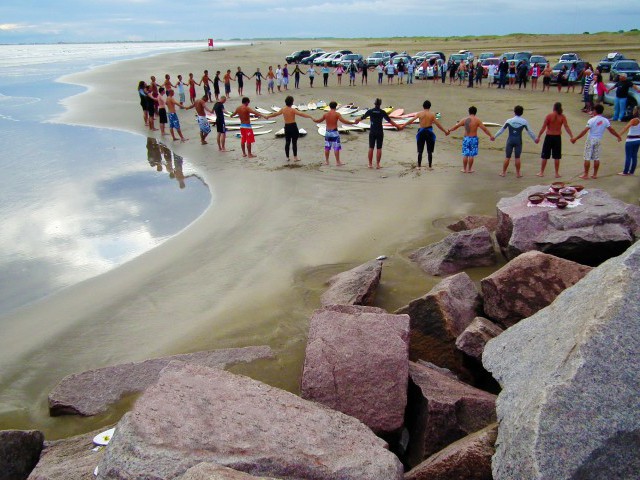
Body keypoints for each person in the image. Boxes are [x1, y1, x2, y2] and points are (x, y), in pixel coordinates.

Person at [571, 104, 622, 179]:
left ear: (595, 111)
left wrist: (575, 138)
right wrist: (618, 136)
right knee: (596, 157)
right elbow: (611, 130)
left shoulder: (592, 120)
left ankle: (586, 174)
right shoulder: (605, 120)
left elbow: (584, 131)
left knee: (587, 157)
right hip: (598, 139)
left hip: (591, 139)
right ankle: (595, 174)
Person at [355, 98, 404, 169]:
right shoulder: (382, 112)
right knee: (379, 148)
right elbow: (390, 121)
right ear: (380, 104)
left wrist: (356, 120)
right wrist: (398, 126)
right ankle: (378, 164)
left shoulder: (370, 111)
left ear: (374, 104)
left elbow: (362, 117)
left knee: (371, 148)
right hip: (380, 132)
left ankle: (370, 164)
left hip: (372, 131)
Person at [267, 95, 316, 162]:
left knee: (287, 142)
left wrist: (268, 116)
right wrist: (310, 116)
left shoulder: (283, 109)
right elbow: (301, 114)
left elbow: (276, 114)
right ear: (292, 102)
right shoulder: (293, 110)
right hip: (293, 126)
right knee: (294, 142)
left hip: (287, 127)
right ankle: (295, 157)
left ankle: (287, 157)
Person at [403, 100, 449, 170]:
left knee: (420, 150)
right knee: (429, 151)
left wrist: (403, 126)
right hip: (429, 133)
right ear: (430, 107)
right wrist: (445, 131)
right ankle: (430, 166)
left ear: (423, 106)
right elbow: (438, 124)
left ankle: (419, 166)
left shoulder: (419, 114)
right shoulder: (432, 114)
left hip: (421, 132)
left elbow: (411, 120)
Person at [448, 106, 495, 173]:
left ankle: (464, 169)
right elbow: (484, 129)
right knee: (471, 155)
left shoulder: (464, 119)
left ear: (469, 112)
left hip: (466, 138)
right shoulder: (477, 120)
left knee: (465, 154)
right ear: (475, 112)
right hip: (473, 138)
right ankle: (469, 169)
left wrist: (449, 130)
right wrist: (491, 135)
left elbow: (456, 126)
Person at [494, 105, 538, 177]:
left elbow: (501, 130)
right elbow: (530, 132)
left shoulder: (509, 121)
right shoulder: (524, 122)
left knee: (507, 157)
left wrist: (494, 137)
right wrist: (535, 139)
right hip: (518, 141)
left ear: (514, 112)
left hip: (510, 140)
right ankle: (518, 173)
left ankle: (503, 172)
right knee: (517, 157)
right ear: (522, 112)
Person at [313, 101, 357, 166]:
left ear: (329, 106)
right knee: (336, 148)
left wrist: (313, 119)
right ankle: (337, 162)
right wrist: (353, 123)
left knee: (327, 147)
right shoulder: (337, 114)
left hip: (327, 132)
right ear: (336, 106)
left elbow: (318, 121)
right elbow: (344, 121)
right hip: (334, 132)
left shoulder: (326, 114)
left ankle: (327, 161)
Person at [535, 102, 573, 177]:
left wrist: (539, 136)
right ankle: (556, 173)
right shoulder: (562, 116)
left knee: (545, 156)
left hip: (549, 136)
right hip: (557, 137)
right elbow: (566, 127)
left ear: (554, 108)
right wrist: (571, 136)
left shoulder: (549, 116)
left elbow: (543, 127)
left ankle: (541, 172)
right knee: (557, 156)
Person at [617, 106, 640, 175]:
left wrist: (619, 135)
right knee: (634, 155)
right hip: (638, 139)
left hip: (631, 140)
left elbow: (625, 128)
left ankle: (625, 171)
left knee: (628, 156)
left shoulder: (633, 120)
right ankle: (632, 171)